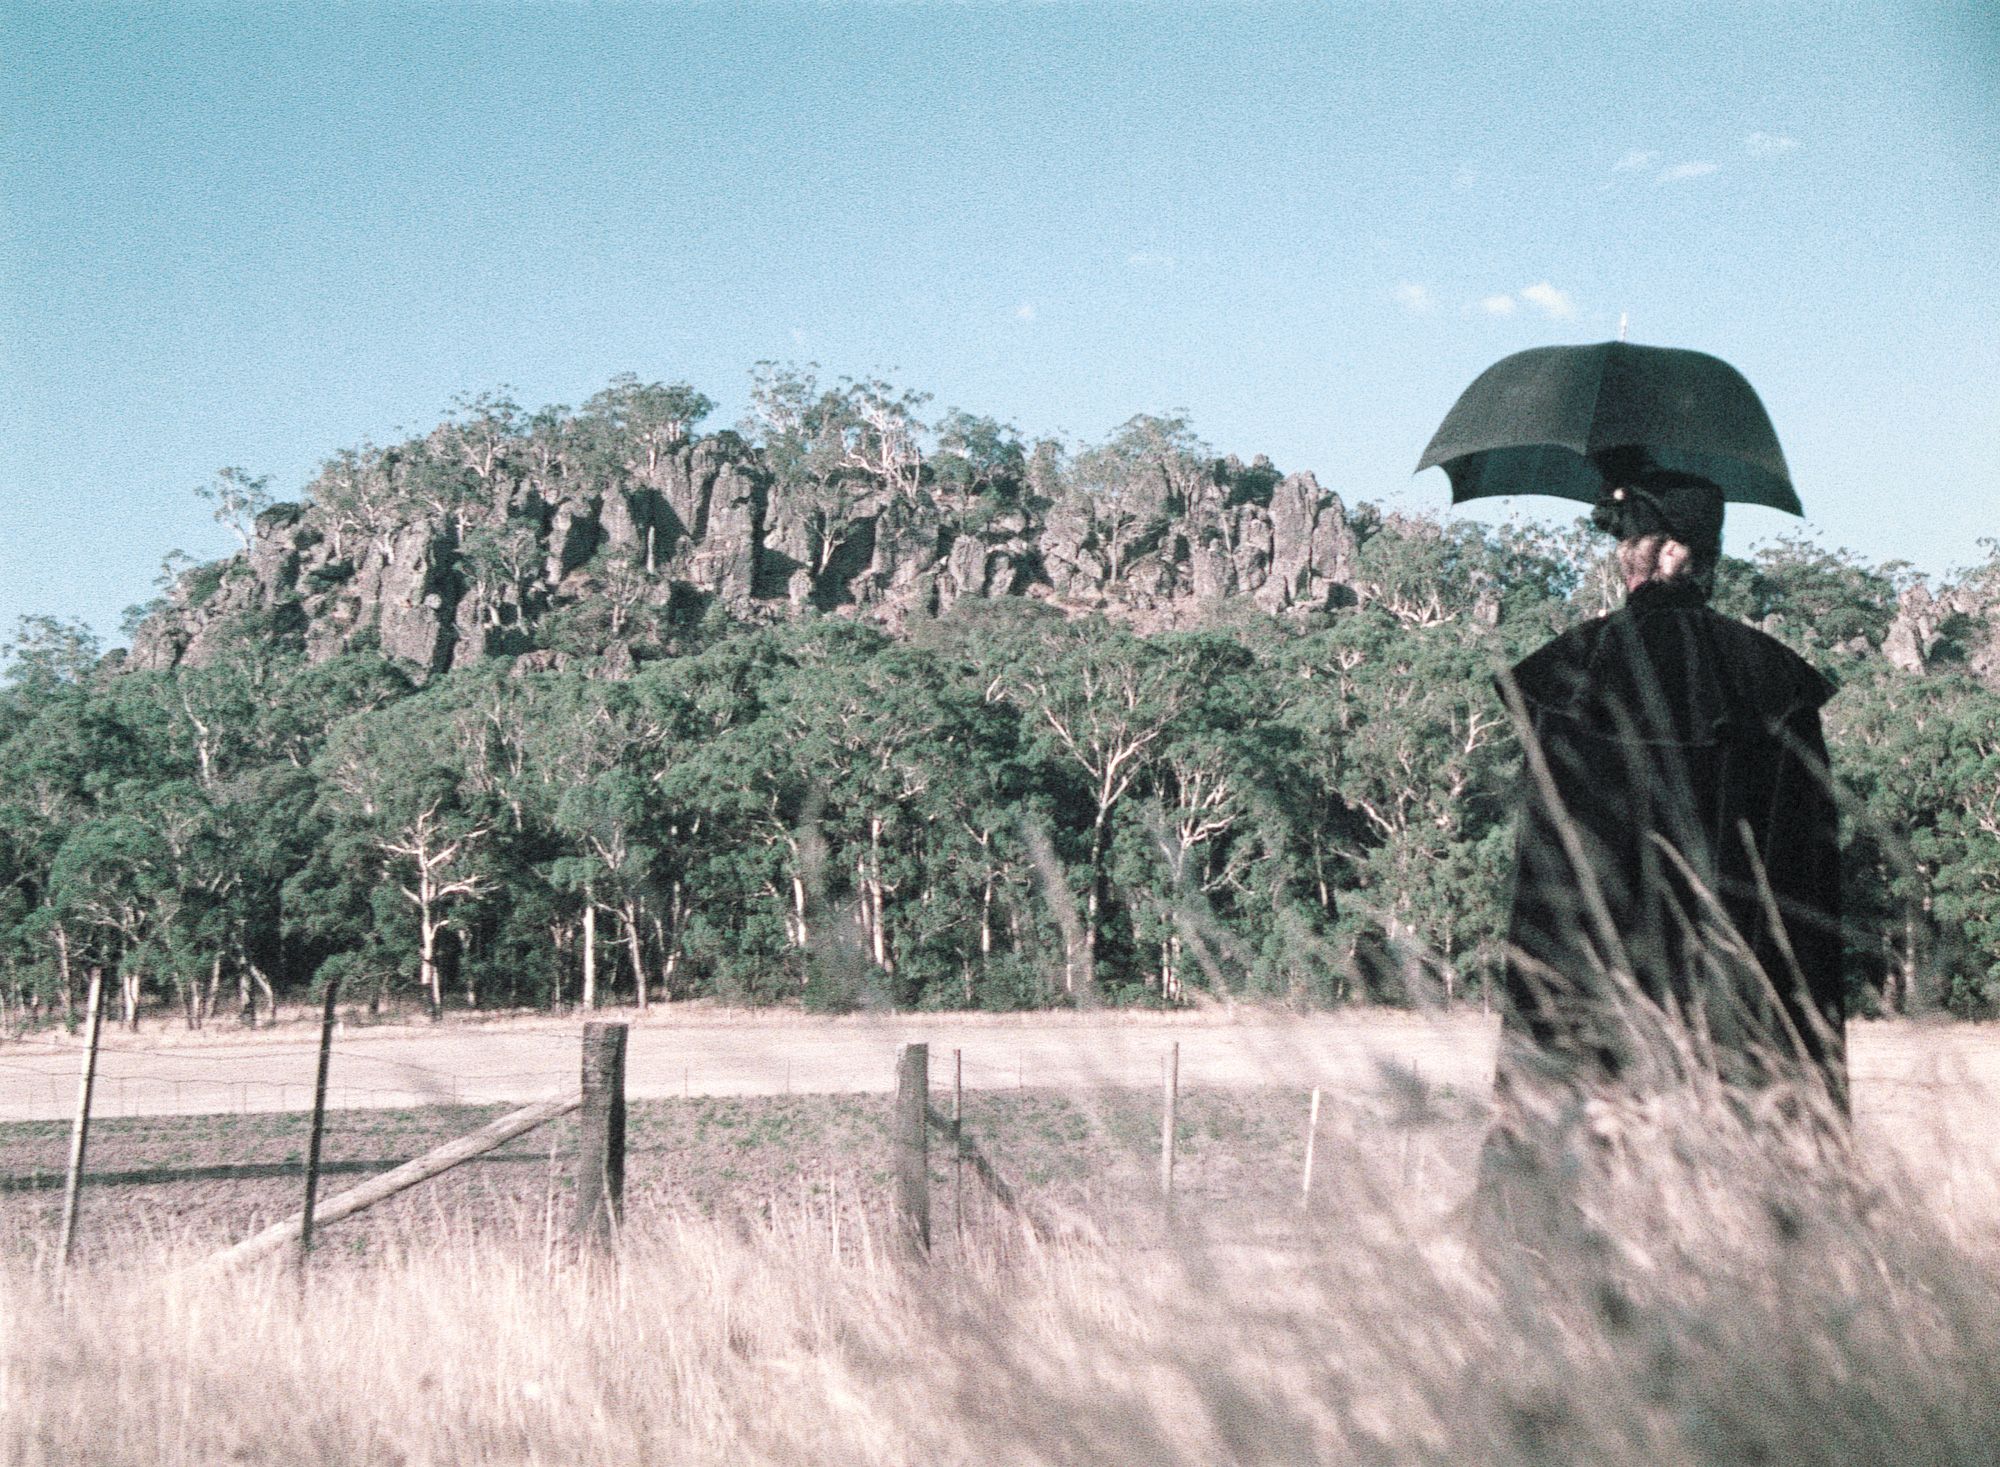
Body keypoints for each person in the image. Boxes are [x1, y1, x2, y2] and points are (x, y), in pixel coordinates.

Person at [1485, 465, 1848, 1169]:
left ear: (1668, 552)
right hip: (1735, 1021)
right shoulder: (1772, 679)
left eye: (1633, 538)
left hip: (1588, 1008)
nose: (1624, 554)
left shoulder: (1573, 673)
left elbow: (1547, 882)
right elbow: (1801, 893)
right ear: (1700, 557)